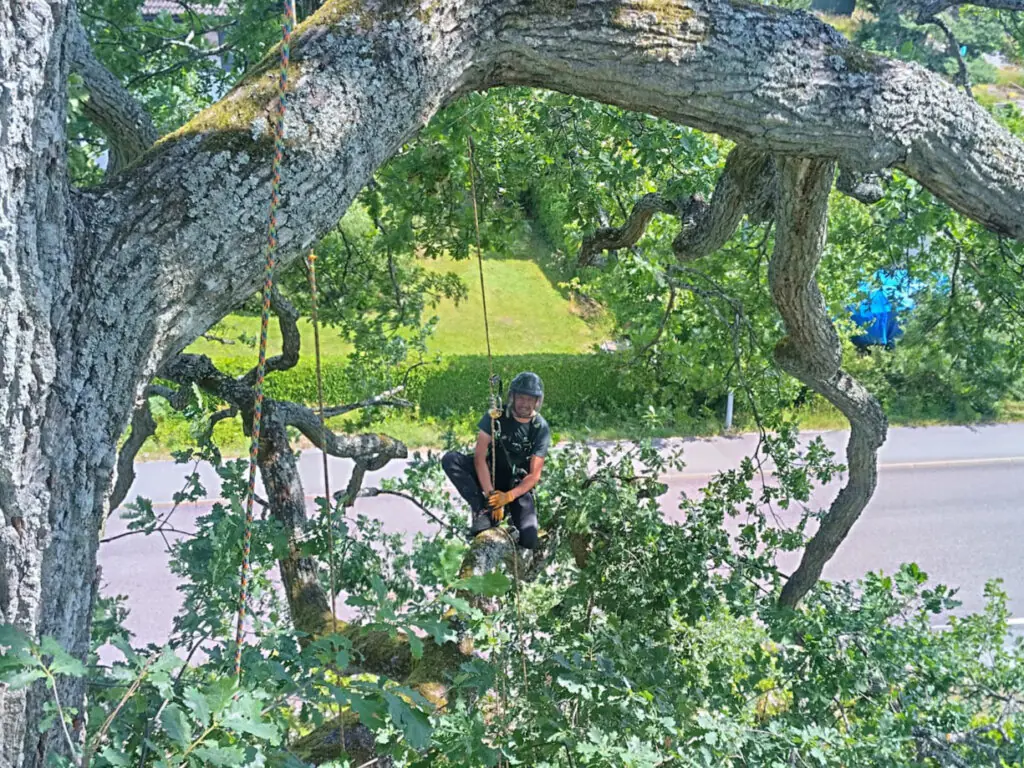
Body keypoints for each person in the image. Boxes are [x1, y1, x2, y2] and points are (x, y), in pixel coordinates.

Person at [441, 371, 551, 549]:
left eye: (530, 399)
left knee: (530, 539)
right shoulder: (495, 417)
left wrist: (507, 497)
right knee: (450, 459)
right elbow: (479, 458)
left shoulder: (540, 427)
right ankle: (481, 507)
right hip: (490, 475)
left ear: (537, 401)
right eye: (521, 398)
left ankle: (511, 535)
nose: (525, 403)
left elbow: (534, 475)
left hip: (516, 486)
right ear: (512, 397)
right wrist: (492, 497)